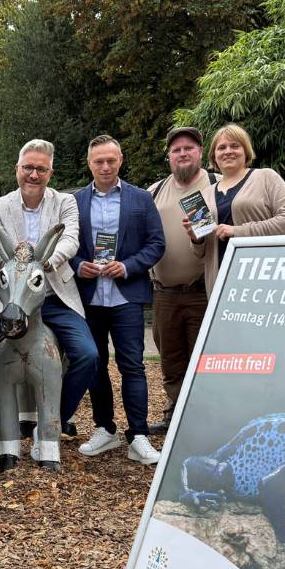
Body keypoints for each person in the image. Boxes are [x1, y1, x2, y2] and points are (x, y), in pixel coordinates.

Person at [0, 139, 97, 468]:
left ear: (50, 172)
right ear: (17, 169)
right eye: (28, 167)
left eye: (41, 169)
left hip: (54, 295)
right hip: (11, 299)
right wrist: (15, 263)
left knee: (88, 354)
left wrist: (45, 264)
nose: (33, 174)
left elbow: (70, 238)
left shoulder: (65, 202)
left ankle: (49, 425)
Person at [71, 135, 166, 465]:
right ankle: (105, 429)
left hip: (126, 296)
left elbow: (156, 244)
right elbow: (65, 245)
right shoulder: (75, 201)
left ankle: (138, 435)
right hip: (89, 297)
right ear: (89, 163)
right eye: (99, 161)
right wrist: (76, 265)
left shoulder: (141, 199)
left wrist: (127, 266)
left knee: (133, 366)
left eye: (111, 160)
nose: (105, 166)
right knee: (95, 366)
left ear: (121, 160)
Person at [147, 127, 217, 435]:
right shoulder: (155, 190)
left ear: (201, 152)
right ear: (169, 156)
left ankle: (205, 415)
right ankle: (175, 413)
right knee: (171, 359)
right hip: (164, 292)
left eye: (189, 147)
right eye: (176, 150)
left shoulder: (216, 185)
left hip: (204, 289)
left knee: (205, 357)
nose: (183, 153)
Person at [184, 123, 285, 293]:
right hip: (220, 284)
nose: (228, 151)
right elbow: (200, 254)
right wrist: (196, 239)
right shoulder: (203, 197)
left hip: (262, 279)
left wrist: (238, 231)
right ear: (214, 156)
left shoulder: (266, 177)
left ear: (246, 151)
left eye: (235, 146)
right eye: (221, 147)